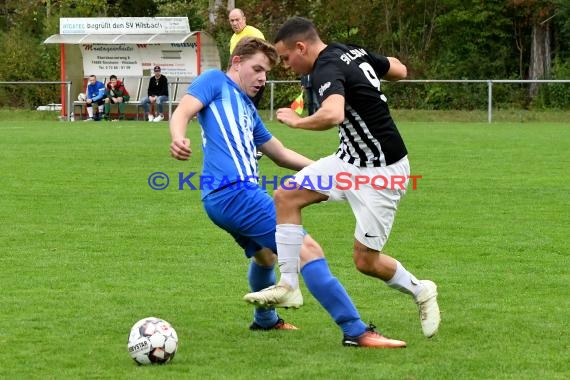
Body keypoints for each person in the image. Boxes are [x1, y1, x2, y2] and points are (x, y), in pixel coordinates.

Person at [170, 37, 405, 348]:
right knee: (308, 250)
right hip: (235, 192)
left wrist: (340, 175)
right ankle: (356, 331)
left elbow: (280, 154)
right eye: (256, 69)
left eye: (266, 73)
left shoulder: (248, 112)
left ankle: (265, 321)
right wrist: (178, 137)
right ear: (236, 63)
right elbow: (183, 111)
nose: (261, 79)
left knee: (266, 256)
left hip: (223, 198)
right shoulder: (214, 81)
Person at [244, 17, 441, 340]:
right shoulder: (350, 51)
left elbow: (333, 113)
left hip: (381, 173)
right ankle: (290, 285)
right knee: (286, 196)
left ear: (301, 47)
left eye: (287, 58)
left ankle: (421, 290)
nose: (288, 67)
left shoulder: (325, 68)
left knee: (366, 261)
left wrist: (296, 122)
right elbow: (399, 69)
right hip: (347, 162)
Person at [228, 8, 266, 109]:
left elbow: (263, 56)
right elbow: (233, 61)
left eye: (237, 20)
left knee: (248, 109)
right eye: (232, 21)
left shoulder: (253, 33)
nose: (235, 23)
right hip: (240, 81)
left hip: (253, 79)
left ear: (244, 19)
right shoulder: (233, 38)